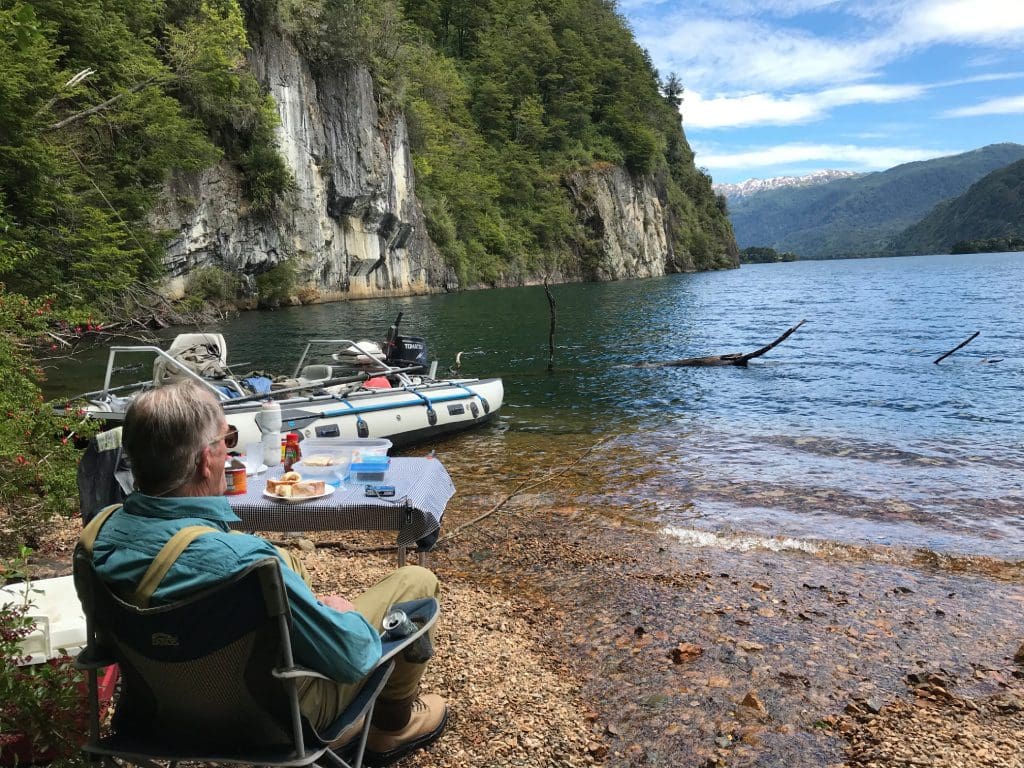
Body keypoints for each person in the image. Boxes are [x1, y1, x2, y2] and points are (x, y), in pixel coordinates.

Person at [82, 379, 447, 766]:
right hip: (273, 721)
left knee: (290, 566)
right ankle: (391, 728)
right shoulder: (244, 562)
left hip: (156, 719)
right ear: (206, 460)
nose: (230, 452)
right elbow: (353, 658)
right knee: (417, 583)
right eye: (228, 440)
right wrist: (348, 615)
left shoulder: (95, 541)